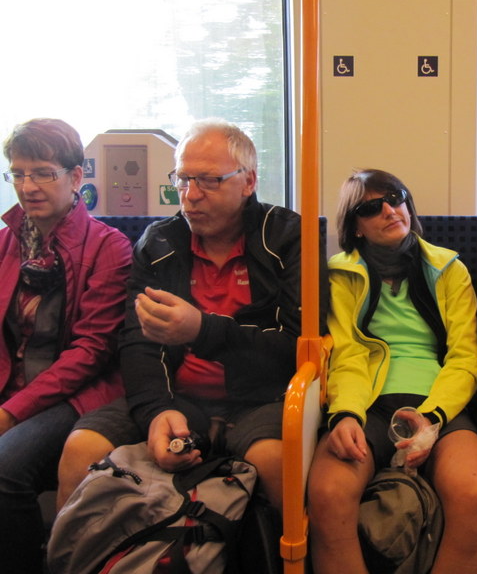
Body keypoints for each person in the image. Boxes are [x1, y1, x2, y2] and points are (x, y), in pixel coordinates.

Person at [56, 118, 318, 516]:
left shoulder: (287, 237)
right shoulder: (159, 242)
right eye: (182, 180)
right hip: (177, 394)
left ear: (248, 181)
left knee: (276, 462)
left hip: (262, 399)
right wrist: (158, 411)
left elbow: (294, 347)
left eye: (209, 181)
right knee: (80, 450)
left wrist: (200, 330)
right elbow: (138, 342)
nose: (190, 196)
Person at [307, 169, 477, 574]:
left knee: (475, 493)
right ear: (355, 227)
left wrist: (433, 416)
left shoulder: (449, 269)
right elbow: (348, 354)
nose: (390, 211)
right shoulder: (340, 275)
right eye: (371, 208)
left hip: (439, 402)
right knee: (328, 492)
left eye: (396, 198)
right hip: (368, 403)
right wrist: (346, 414)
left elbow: (465, 357)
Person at [0, 118, 131, 573]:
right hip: (15, 383)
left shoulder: (109, 247)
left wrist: (10, 412)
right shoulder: (6, 243)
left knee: (5, 468)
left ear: (76, 177)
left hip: (77, 393)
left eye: (42, 173)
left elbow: (91, 351)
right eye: (18, 174)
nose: (27, 187)